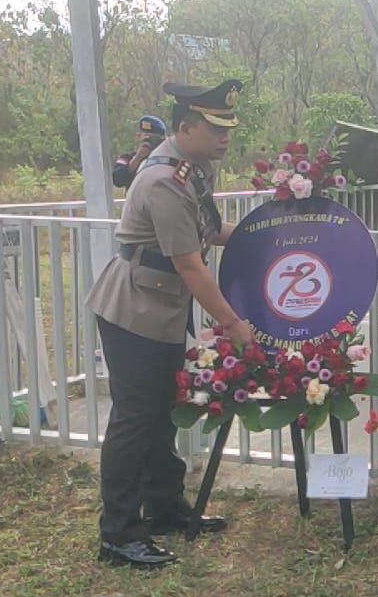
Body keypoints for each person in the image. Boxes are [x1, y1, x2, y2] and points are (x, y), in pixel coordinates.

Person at [86, 80, 253, 569]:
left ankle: (162, 506)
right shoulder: (164, 181)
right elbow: (190, 265)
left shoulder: (192, 171)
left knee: (163, 410)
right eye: (215, 129)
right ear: (185, 127)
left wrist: (264, 234)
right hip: (135, 309)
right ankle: (118, 533)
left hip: (161, 308)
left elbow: (209, 232)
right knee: (134, 421)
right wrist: (233, 325)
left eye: (229, 129)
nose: (225, 138)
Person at [112, 114, 169, 188]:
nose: (150, 142)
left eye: (153, 139)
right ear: (138, 136)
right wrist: (137, 159)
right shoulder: (127, 158)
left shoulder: (168, 157)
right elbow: (117, 179)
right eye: (147, 138)